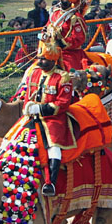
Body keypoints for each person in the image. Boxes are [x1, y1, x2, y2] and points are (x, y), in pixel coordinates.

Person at [21, 44, 75, 196]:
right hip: (32, 116)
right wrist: (27, 108)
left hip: (53, 119)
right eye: (39, 58)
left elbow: (62, 104)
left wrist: (40, 109)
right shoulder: (35, 73)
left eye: (43, 59)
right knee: (11, 137)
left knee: (54, 147)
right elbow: (28, 95)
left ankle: (50, 182)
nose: (39, 62)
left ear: (53, 60)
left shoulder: (63, 77)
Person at [44, 0, 89, 71]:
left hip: (70, 53)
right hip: (52, 50)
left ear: (70, 0)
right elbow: (48, 26)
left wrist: (61, 43)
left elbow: (79, 38)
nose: (61, 0)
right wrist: (45, 32)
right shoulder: (55, 13)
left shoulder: (75, 18)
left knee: (70, 71)